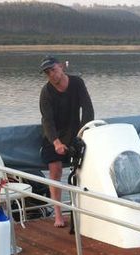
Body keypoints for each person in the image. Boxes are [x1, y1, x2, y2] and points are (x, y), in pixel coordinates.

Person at [39, 55, 94, 227]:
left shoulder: (77, 83)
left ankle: (85, 209)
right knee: (55, 171)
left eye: (53, 70)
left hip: (75, 134)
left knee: (84, 170)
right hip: (52, 136)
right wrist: (56, 143)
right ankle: (58, 215)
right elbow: (47, 121)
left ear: (62, 67)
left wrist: (83, 134)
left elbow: (88, 109)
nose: (52, 75)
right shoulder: (46, 92)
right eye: (48, 73)